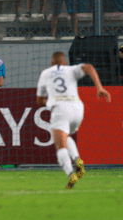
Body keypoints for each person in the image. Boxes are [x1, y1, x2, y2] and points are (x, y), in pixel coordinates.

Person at [35, 51, 111, 189]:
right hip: (77, 108)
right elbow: (89, 67)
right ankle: (77, 160)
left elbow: (39, 100)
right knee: (66, 135)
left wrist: (48, 101)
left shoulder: (45, 73)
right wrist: (99, 87)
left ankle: (71, 175)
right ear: (65, 62)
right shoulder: (71, 69)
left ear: (52, 63)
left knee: (60, 145)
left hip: (60, 108)